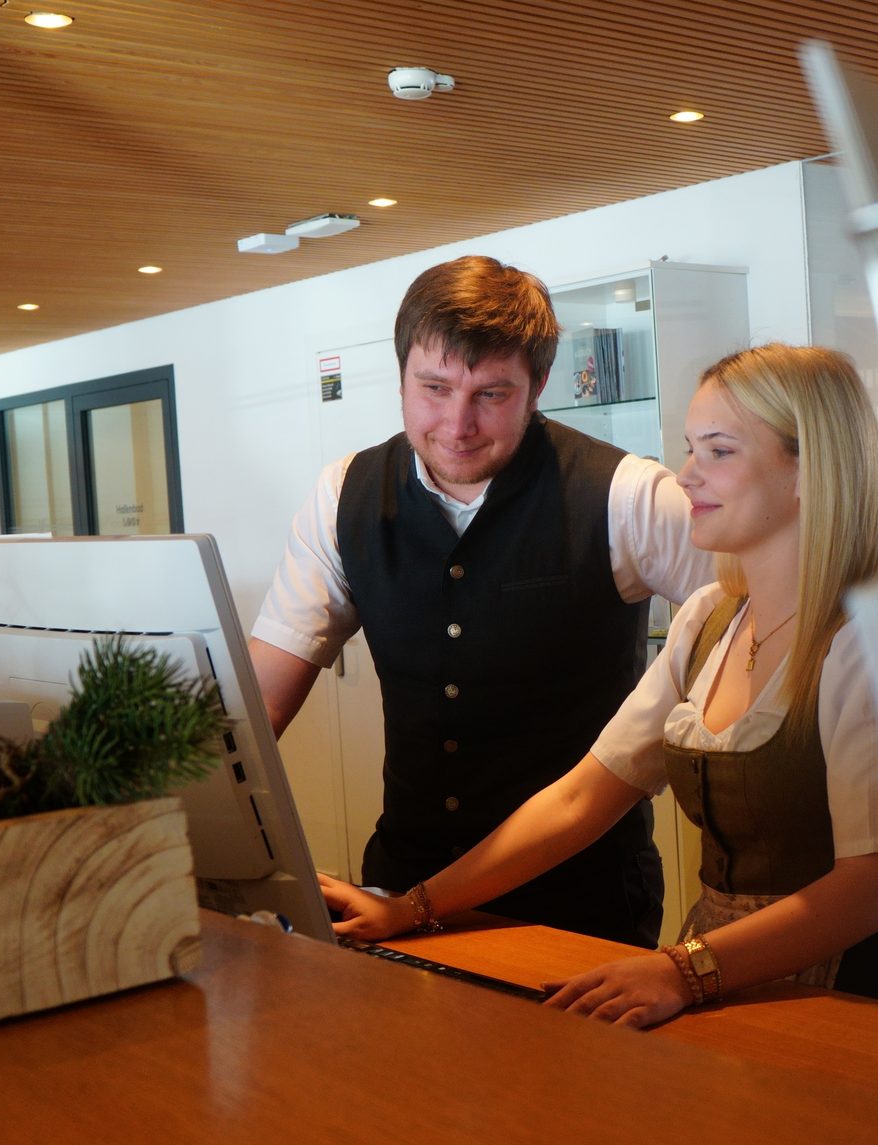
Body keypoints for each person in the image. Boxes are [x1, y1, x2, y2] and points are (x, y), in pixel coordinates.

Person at [324, 343, 878, 1025]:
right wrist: (414, 907)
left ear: (809, 468)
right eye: (690, 449)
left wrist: (686, 970)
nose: (687, 476)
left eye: (719, 452)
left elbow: (872, 887)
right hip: (716, 986)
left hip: (843, 1000)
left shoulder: (867, 643)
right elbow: (584, 796)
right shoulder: (709, 620)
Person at [248, 255, 712, 948]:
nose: (457, 424)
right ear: (401, 372)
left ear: (539, 387)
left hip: (581, 903)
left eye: (491, 395)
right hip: (399, 890)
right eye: (433, 388)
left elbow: (756, 625)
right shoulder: (343, 495)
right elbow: (259, 703)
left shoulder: (628, 496)